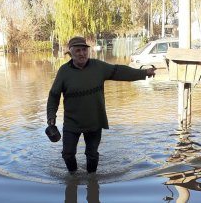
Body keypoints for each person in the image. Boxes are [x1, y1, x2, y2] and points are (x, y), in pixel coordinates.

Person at [46, 36, 156, 174]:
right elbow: (54, 95)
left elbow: (119, 71)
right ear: (71, 53)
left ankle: (92, 180)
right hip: (71, 122)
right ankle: (73, 175)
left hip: (95, 120)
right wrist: (51, 115)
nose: (82, 53)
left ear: (88, 51)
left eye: (84, 50)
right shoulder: (63, 71)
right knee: (67, 154)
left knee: (92, 155)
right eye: (78, 50)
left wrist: (144, 73)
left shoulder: (98, 67)